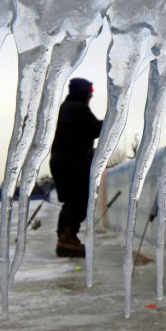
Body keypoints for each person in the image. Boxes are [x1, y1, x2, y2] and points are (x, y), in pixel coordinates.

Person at [50, 78, 103, 257]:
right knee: (78, 199)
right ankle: (66, 239)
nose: (91, 94)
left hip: (64, 161)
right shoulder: (77, 108)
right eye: (89, 91)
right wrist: (114, 117)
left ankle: (67, 236)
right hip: (70, 162)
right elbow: (96, 129)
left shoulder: (69, 107)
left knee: (73, 199)